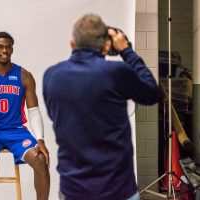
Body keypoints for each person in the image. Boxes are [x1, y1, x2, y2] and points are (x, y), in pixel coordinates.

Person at [43, 13, 159, 200]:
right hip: (117, 190)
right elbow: (152, 93)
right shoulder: (117, 72)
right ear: (106, 46)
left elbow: (54, 115)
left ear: (72, 44)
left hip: (73, 190)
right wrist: (126, 50)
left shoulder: (51, 76)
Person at [0, 31, 50, 200]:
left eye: (8, 47)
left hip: (17, 132)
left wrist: (40, 140)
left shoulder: (24, 76)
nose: (4, 50)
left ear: (12, 50)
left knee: (41, 159)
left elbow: (33, 110)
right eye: (0, 46)